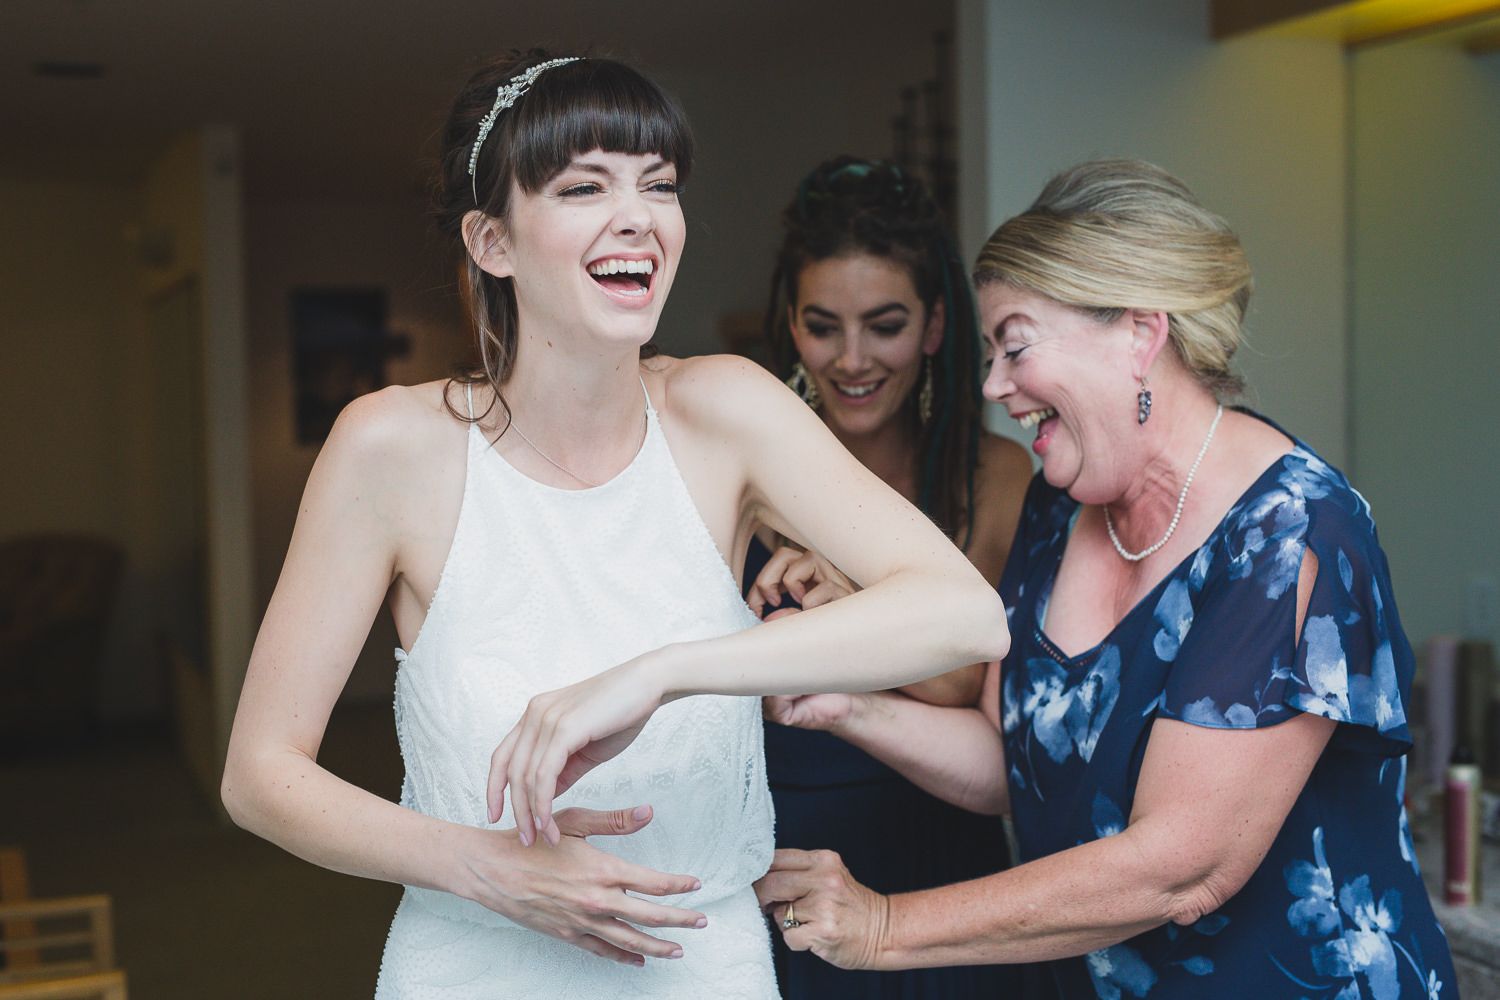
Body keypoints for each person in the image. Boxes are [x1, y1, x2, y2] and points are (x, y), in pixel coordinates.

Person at [219, 51, 1009, 1000]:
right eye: (584, 185)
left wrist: (661, 673)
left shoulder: (729, 411)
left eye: (659, 184)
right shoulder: (391, 446)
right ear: (492, 241)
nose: (638, 215)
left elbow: (967, 617)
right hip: (472, 967)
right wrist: (490, 867)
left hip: (702, 969)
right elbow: (260, 775)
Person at [746, 159, 1457, 999]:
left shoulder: (1292, 531)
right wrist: (844, 702)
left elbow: (1179, 867)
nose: (992, 386)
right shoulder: (1060, 511)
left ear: (1139, 335)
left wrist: (886, 927)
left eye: (1014, 344)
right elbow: (1006, 763)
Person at [748, 156, 1030, 999]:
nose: (853, 358)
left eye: (886, 323)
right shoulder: (743, 479)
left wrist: (857, 610)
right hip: (779, 864)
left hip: (942, 862)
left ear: (936, 327)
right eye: (823, 325)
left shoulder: (998, 479)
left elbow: (991, 698)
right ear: (791, 327)